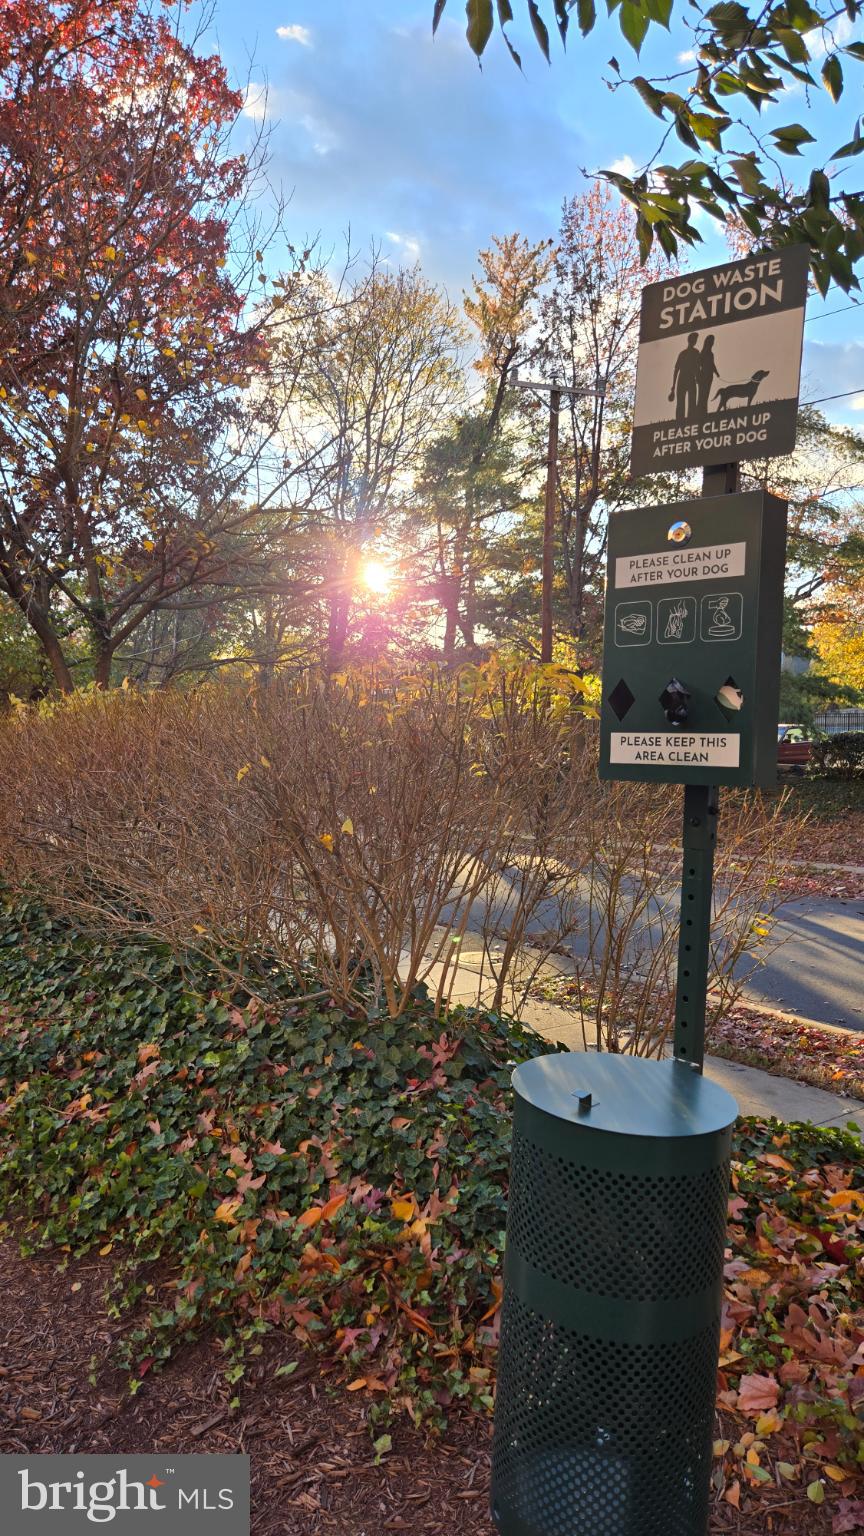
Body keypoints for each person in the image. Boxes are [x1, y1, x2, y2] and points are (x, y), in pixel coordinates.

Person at [669, 333, 700, 423]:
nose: (695, 341)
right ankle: (680, 422)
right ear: (690, 340)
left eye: (695, 340)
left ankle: (691, 420)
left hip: (690, 378)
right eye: (694, 339)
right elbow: (676, 370)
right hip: (683, 379)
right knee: (681, 402)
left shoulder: (696, 352)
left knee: (692, 401)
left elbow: (697, 367)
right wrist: (673, 386)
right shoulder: (683, 353)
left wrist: (697, 378)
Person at [698, 334, 719, 415]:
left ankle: (703, 412)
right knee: (702, 395)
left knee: (705, 395)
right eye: (711, 341)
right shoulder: (703, 353)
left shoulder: (711, 353)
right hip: (704, 375)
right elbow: (699, 364)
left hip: (709, 376)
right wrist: (698, 376)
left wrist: (716, 372)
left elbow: (712, 364)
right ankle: (700, 412)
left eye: (713, 341)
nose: (712, 343)